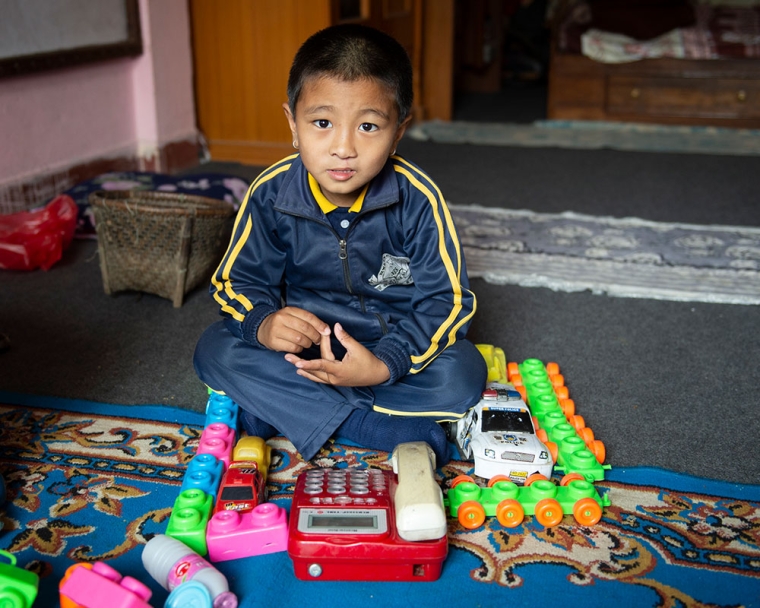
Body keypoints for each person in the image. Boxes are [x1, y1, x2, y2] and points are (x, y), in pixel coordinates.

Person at [193, 23, 487, 466]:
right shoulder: (271, 193)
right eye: (323, 123)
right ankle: (366, 426)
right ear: (293, 124)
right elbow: (238, 281)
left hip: (388, 345)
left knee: (463, 372)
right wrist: (265, 324)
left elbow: (447, 302)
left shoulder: (418, 199)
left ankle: (280, 410)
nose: (343, 147)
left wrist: (384, 363)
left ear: (398, 132)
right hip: (303, 344)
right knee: (216, 348)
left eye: (368, 126)